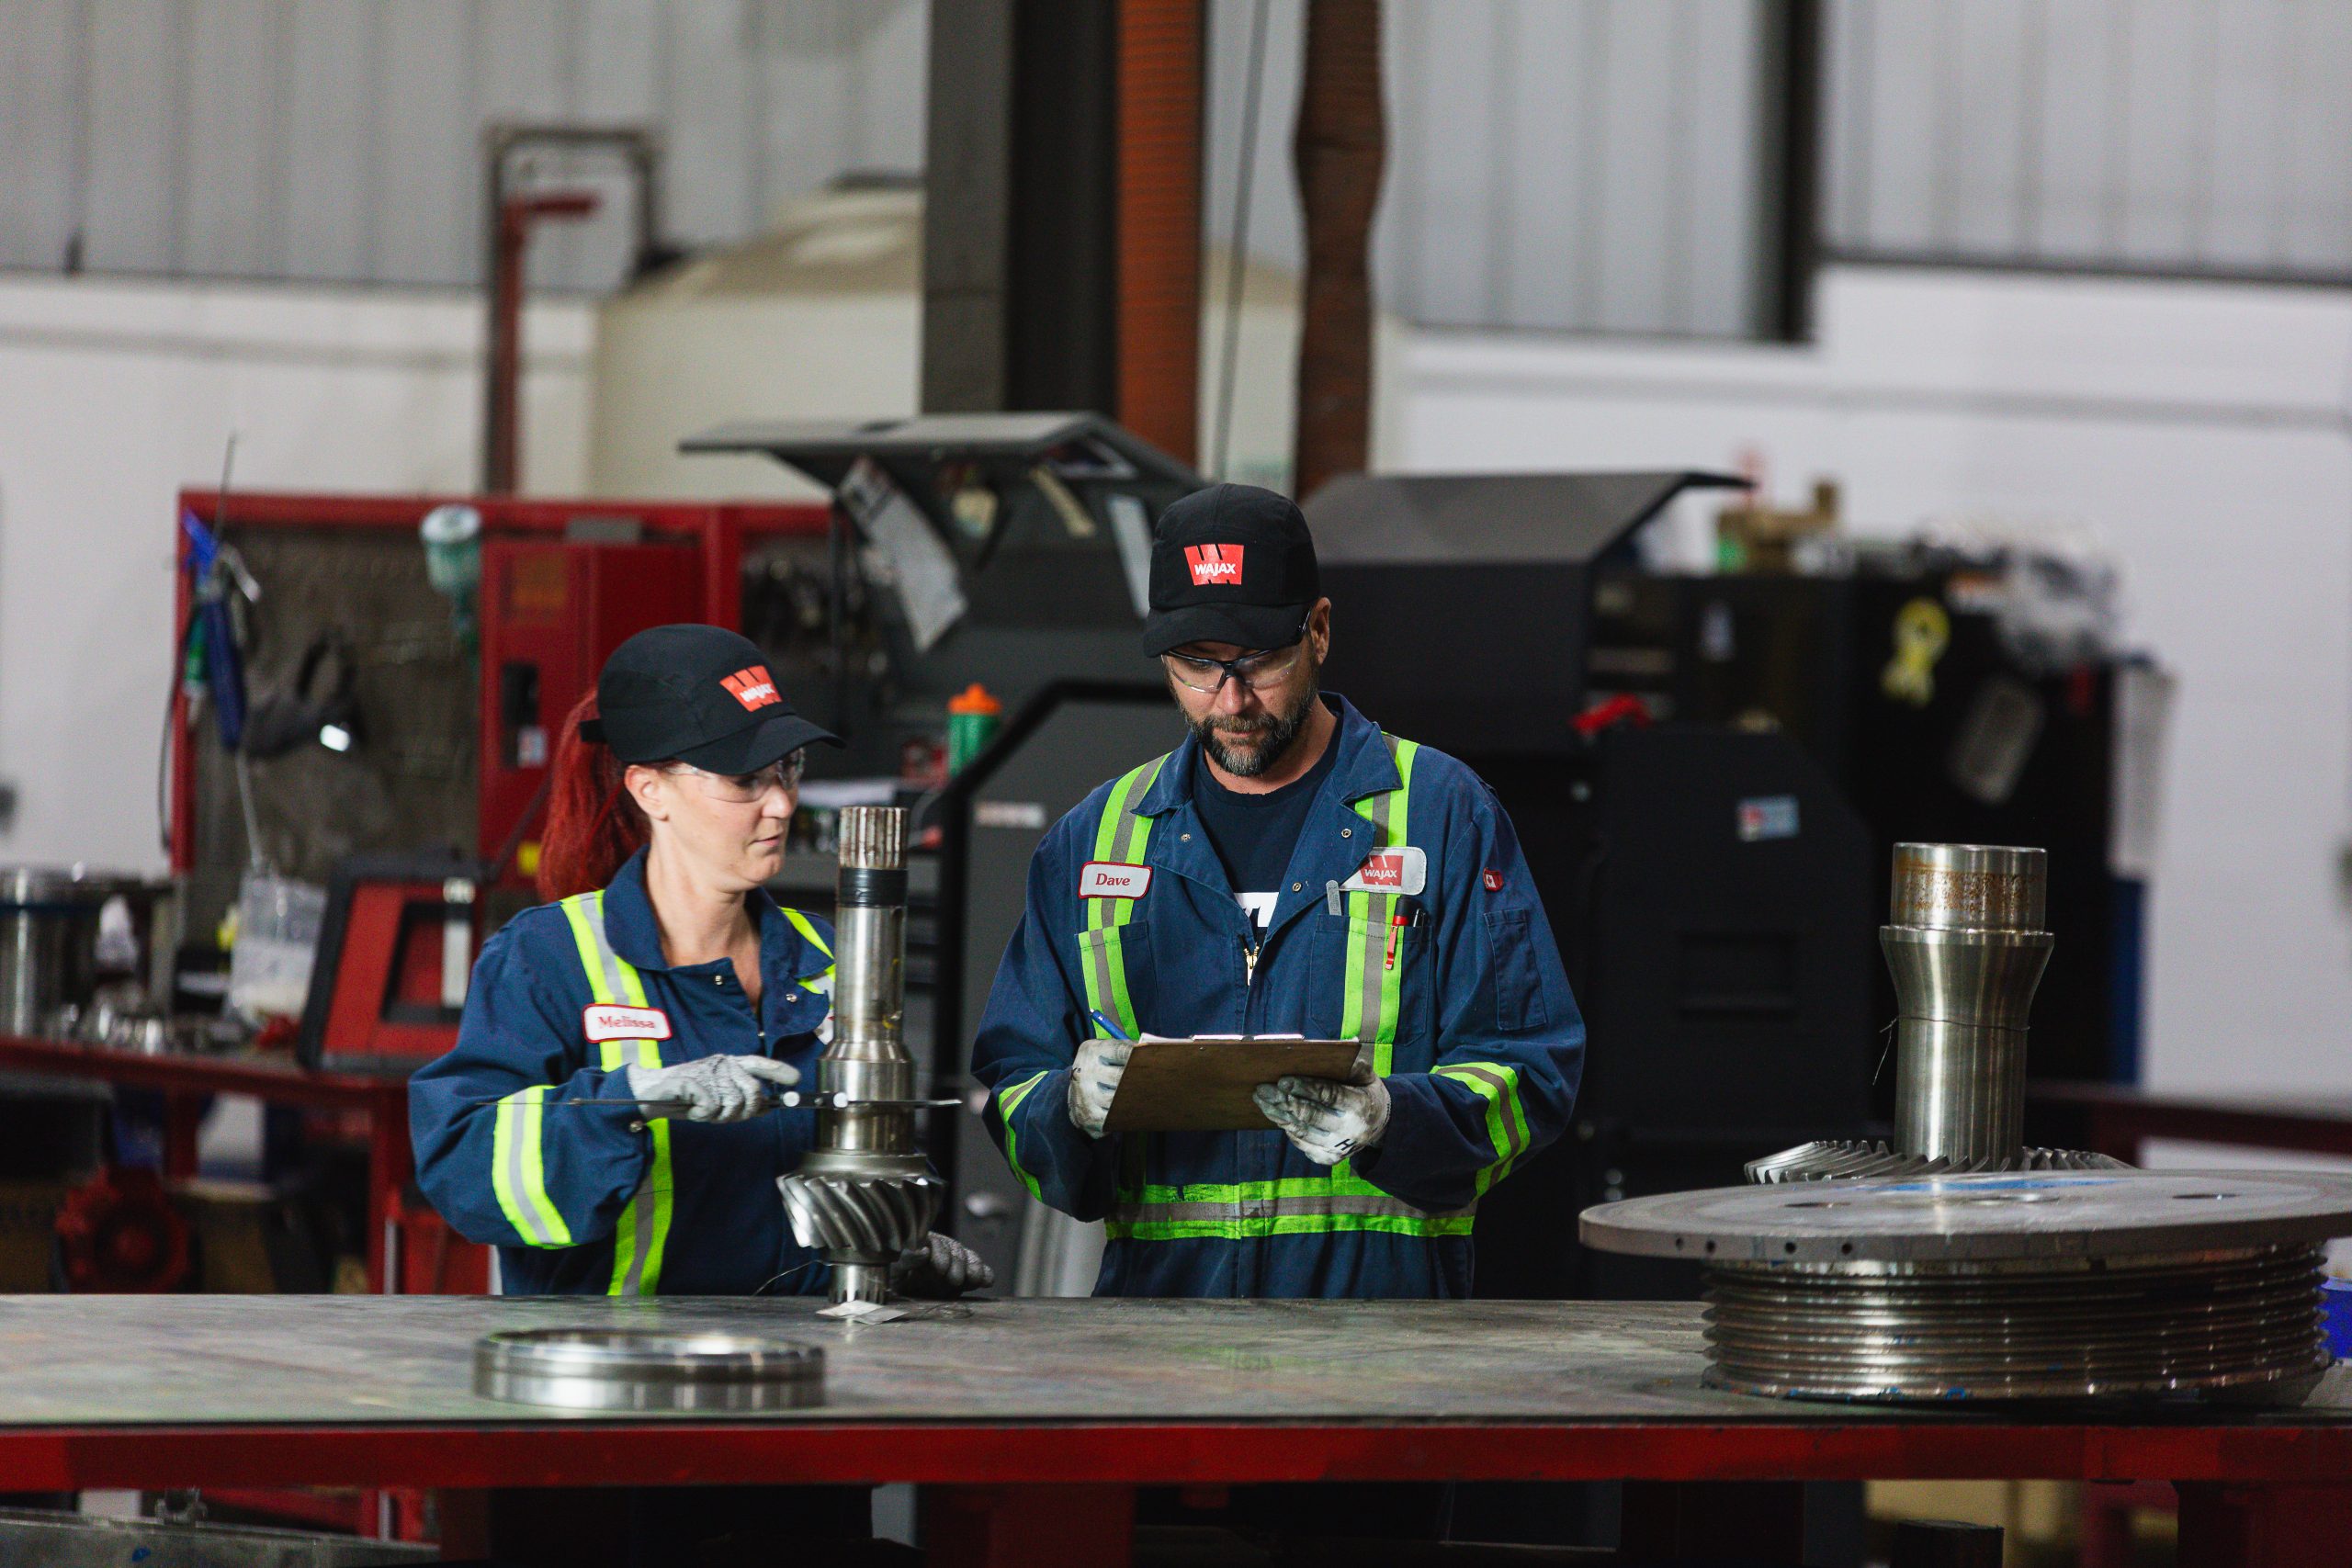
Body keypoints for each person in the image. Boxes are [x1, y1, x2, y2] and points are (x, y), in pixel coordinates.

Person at [969, 484, 1583, 1301]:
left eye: (1259, 660)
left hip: (1382, 1330)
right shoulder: (1095, 841)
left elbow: (1532, 1070)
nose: (1230, 700)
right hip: (1160, 1331)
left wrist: (1393, 1118)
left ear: (1318, 630)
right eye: (1197, 665)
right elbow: (1011, 1079)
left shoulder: (1439, 814)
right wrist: (1068, 1106)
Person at [410, 624, 987, 1302]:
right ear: (650, 790)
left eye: (789, 769)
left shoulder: (830, 959)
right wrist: (629, 1100)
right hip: (610, 1358)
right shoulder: (550, 959)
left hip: (808, 1357)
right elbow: (463, 1167)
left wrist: (896, 1247)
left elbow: (863, 1163)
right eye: (745, 780)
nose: (781, 804)